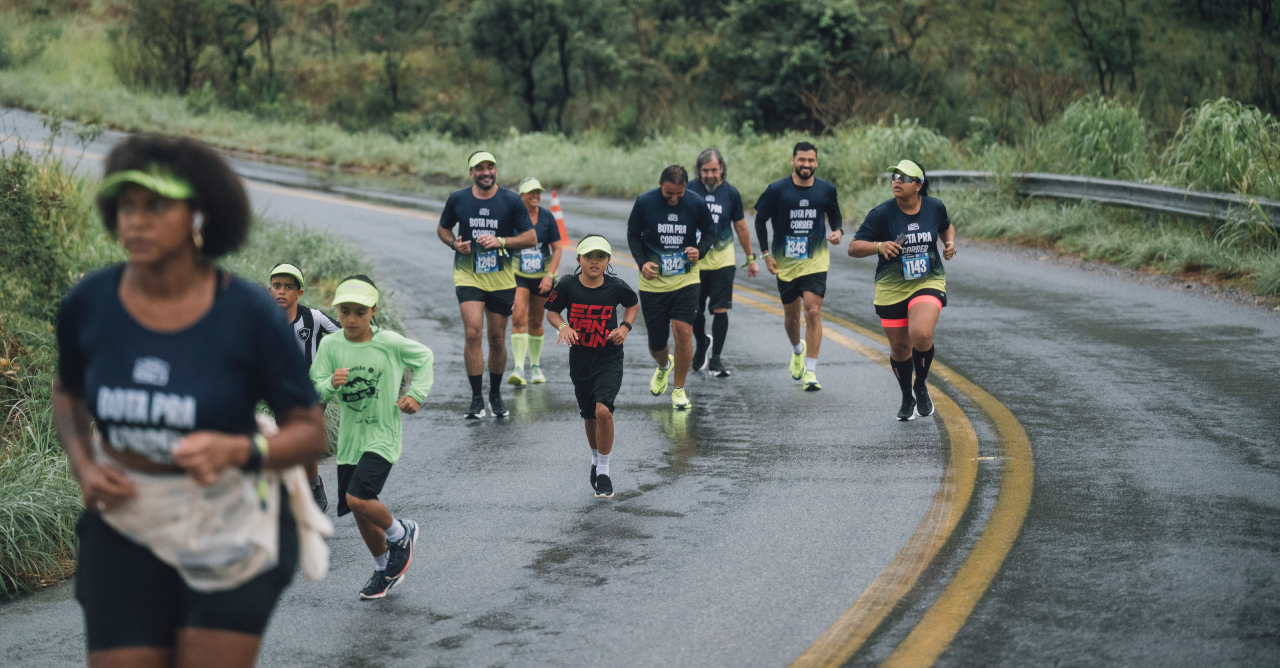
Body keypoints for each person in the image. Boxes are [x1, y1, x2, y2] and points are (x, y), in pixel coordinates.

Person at [53, 134, 327, 667]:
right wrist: (83, 463)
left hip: (229, 517)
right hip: (126, 517)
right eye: (126, 206)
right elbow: (68, 391)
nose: (135, 221)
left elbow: (309, 431)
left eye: (155, 205)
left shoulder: (249, 315)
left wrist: (237, 451)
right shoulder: (91, 304)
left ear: (199, 215)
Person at [310, 275, 435, 599]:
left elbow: (424, 358)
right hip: (351, 439)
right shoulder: (331, 346)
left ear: (373, 311)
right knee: (359, 510)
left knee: (356, 498)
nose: (351, 319)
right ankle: (384, 570)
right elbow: (314, 385)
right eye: (345, 311)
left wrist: (416, 395)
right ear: (336, 311)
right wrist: (330, 384)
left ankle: (399, 532)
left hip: (382, 434)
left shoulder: (389, 343)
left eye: (360, 312)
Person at [849, 160, 955, 420]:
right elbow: (853, 247)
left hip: (927, 281)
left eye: (905, 178)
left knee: (920, 333)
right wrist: (879, 246)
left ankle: (921, 385)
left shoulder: (934, 207)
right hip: (892, 287)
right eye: (895, 176)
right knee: (899, 350)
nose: (897, 181)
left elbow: (945, 226)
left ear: (918, 185)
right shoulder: (882, 213)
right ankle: (907, 394)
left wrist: (950, 242)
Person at [436, 151, 536, 419]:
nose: (485, 172)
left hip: (501, 279)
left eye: (490, 166)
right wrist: (453, 243)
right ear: (471, 173)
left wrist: (501, 241)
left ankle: (495, 394)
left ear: (496, 170)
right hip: (468, 274)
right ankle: (476, 399)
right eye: (479, 168)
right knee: (472, 333)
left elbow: (530, 237)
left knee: (496, 338)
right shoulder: (458, 199)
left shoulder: (511, 200)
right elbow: (443, 228)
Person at [544, 235, 639, 498]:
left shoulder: (616, 286)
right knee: (589, 415)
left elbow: (632, 305)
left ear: (608, 260)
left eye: (600, 257)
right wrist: (563, 326)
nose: (594, 262)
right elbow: (551, 311)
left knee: (603, 411)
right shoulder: (567, 285)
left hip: (609, 358)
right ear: (578, 260)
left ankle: (605, 470)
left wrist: (624, 327)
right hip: (581, 360)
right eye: (588, 257)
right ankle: (596, 459)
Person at [753, 141, 843, 391]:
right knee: (791, 318)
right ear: (793, 160)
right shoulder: (777, 190)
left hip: (815, 262)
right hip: (785, 264)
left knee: (813, 311)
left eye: (811, 160)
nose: (806, 164)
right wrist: (766, 255)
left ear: (816, 162)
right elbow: (760, 221)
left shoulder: (826, 189)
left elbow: (834, 214)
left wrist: (837, 231)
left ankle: (811, 371)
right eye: (801, 160)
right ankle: (797, 351)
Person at [626, 165, 714, 410]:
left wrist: (701, 250)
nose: (674, 199)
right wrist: (642, 263)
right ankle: (664, 366)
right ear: (660, 185)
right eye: (669, 195)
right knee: (657, 343)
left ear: (686, 186)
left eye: (679, 194)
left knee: (683, 332)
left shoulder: (696, 203)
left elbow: (710, 232)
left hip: (686, 279)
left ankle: (679, 389)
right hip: (653, 282)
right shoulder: (645, 202)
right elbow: (633, 235)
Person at [268, 262, 340, 513]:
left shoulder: (313, 318)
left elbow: (343, 338)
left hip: (313, 391)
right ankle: (296, 489)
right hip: (280, 392)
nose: (281, 292)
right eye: (277, 286)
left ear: (299, 293)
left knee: (304, 433)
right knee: (288, 440)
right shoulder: (264, 321)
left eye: (289, 287)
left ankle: (312, 486)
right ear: (269, 290)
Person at [686, 148, 758, 377]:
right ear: (699, 170)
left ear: (722, 169)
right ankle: (701, 343)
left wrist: (751, 259)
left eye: (714, 170)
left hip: (723, 262)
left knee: (720, 309)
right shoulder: (688, 190)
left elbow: (741, 227)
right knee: (693, 310)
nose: (710, 175)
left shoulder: (731, 193)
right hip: (694, 262)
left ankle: (716, 359)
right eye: (705, 170)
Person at [508, 177, 564, 387]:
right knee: (518, 318)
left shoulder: (547, 217)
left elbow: (557, 248)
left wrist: (550, 275)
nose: (536, 196)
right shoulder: (512, 217)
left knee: (535, 321)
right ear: (521, 195)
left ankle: (535, 367)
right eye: (531, 192)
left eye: (538, 192)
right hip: (518, 275)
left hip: (542, 278)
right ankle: (518, 369)